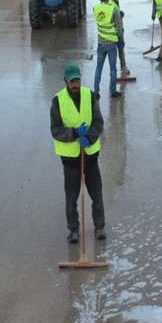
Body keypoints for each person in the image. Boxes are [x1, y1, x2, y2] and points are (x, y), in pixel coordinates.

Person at [50, 65, 106, 243]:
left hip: (90, 157)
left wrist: (89, 138)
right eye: (71, 80)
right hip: (70, 160)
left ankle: (99, 227)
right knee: (71, 198)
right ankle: (73, 230)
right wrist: (74, 133)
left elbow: (98, 122)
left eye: (77, 79)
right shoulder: (57, 101)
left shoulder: (90, 96)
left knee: (96, 194)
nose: (75, 83)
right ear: (66, 81)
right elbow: (56, 130)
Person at [93, 0, 123, 98]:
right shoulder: (113, 9)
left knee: (98, 68)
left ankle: (96, 91)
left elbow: (100, 21)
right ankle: (113, 91)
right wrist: (121, 40)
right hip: (111, 44)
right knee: (113, 68)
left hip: (101, 43)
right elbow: (119, 28)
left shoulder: (95, 8)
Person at [110, 0, 131, 79]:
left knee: (114, 51)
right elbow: (116, 20)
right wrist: (121, 36)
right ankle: (123, 68)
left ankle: (113, 71)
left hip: (110, 31)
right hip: (117, 31)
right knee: (120, 50)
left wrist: (120, 13)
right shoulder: (114, 4)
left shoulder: (110, 3)